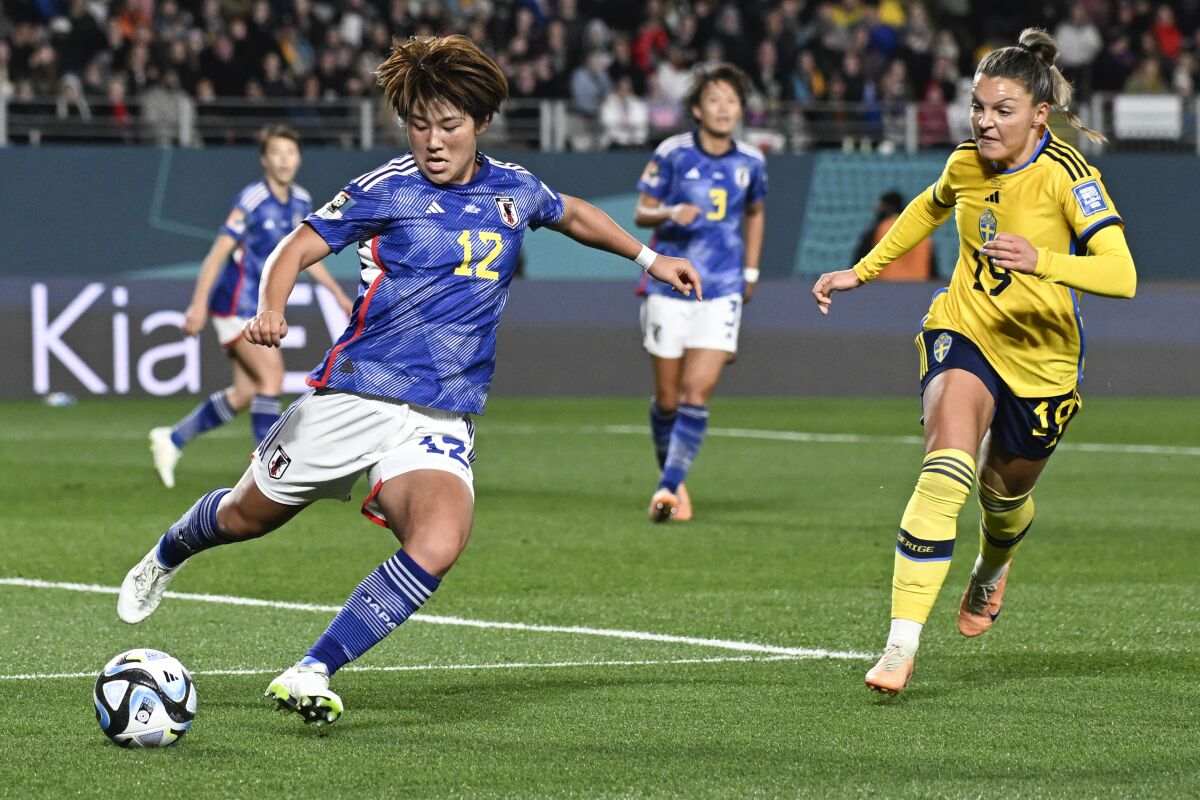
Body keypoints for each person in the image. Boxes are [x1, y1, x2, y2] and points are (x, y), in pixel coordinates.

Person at [117, 34, 700, 726]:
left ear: (481, 121)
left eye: (448, 124)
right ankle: (168, 550)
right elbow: (298, 245)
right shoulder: (387, 189)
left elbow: (570, 212)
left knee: (440, 541)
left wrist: (648, 257)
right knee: (246, 517)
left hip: (439, 416)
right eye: (419, 123)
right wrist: (271, 304)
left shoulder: (513, 190)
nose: (432, 139)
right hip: (354, 396)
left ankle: (312, 668)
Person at [811, 28, 1136, 695]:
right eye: (978, 107)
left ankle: (990, 569)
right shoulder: (967, 162)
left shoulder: (1071, 177)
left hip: (1043, 364)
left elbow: (1122, 274)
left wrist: (1041, 259)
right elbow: (928, 207)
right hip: (965, 330)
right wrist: (863, 272)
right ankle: (900, 645)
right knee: (946, 467)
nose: (985, 122)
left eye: (1002, 110)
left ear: (1039, 114)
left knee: (1003, 496)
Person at [149, 126, 355, 489]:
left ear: (299, 158)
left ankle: (173, 439)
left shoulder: (302, 201)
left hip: (257, 309)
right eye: (276, 153)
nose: (284, 160)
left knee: (246, 392)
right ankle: (265, 471)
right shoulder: (252, 200)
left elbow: (308, 257)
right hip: (235, 306)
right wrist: (197, 306)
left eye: (290, 153)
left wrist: (337, 294)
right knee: (272, 376)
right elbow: (216, 257)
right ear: (264, 160)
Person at [634, 63, 767, 523]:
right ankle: (672, 474)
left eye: (732, 100)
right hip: (670, 287)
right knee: (668, 400)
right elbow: (642, 211)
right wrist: (671, 210)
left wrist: (750, 271)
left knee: (696, 392)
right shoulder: (672, 153)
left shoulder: (752, 161)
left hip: (723, 287)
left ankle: (669, 487)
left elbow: (755, 214)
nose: (724, 108)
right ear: (696, 109)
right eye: (714, 99)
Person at [853, 190, 934, 281]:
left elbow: (858, 271)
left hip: (884, 290)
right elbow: (932, 270)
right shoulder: (922, 232)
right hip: (919, 289)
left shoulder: (878, 230)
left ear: (886, 207)